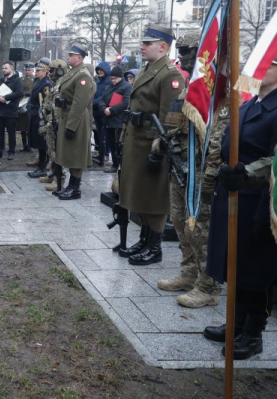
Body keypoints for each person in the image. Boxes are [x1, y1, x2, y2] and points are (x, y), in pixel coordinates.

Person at [203, 56, 277, 360]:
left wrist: (246, 172)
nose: (257, 69)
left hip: (257, 200)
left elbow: (276, 161)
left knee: (255, 269)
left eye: (268, 64)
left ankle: (252, 333)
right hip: (231, 194)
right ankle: (234, 323)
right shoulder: (248, 101)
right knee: (234, 264)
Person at [158, 32, 223, 308]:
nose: (183, 55)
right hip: (180, 165)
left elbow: (219, 133)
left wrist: (211, 170)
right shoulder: (188, 87)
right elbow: (176, 124)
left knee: (201, 229)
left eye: (189, 50)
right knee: (181, 222)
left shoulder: (214, 87)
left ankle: (208, 286)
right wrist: (159, 143)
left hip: (200, 169)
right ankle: (188, 273)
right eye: (181, 49)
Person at [118, 25, 184, 265]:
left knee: (154, 197)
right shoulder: (147, 69)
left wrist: (159, 150)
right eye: (143, 43)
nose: (142, 47)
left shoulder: (170, 75)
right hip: (136, 141)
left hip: (152, 145)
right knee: (140, 193)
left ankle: (155, 247)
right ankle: (145, 238)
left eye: (148, 43)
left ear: (163, 46)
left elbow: (171, 119)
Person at [53, 45, 96, 200]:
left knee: (76, 154)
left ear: (79, 57)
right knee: (69, 153)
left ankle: (75, 188)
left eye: (71, 55)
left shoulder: (82, 76)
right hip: (67, 115)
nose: (68, 57)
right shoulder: (73, 72)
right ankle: (70, 186)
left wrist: (71, 125)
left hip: (75, 118)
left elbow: (79, 103)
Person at [40, 60, 67, 193]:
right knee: (51, 151)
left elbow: (58, 105)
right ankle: (53, 174)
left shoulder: (62, 83)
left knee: (57, 152)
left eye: (52, 70)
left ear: (60, 70)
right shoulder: (55, 84)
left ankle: (59, 179)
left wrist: (51, 122)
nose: (50, 73)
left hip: (56, 122)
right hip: (51, 119)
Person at [98, 66, 130, 173]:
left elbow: (126, 103)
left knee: (118, 144)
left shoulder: (126, 87)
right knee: (111, 143)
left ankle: (120, 164)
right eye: (111, 78)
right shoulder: (109, 86)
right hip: (108, 119)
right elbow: (102, 98)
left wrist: (112, 109)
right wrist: (104, 108)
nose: (113, 81)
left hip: (119, 120)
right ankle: (115, 164)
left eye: (115, 78)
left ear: (120, 77)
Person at [26, 62, 53, 178]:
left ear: (45, 71)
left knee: (41, 141)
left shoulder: (46, 83)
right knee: (36, 139)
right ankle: (40, 166)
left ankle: (43, 167)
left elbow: (46, 101)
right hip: (34, 112)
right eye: (36, 70)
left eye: (38, 70)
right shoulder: (38, 81)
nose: (36, 72)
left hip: (40, 114)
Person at [0, 61, 24, 160]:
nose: (3, 70)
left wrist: (6, 97)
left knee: (11, 133)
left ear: (11, 68)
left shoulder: (17, 80)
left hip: (11, 110)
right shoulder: (1, 80)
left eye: (5, 68)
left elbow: (19, 93)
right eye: (3, 68)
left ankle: (11, 151)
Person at [92, 61, 112, 167]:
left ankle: (106, 154)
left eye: (101, 70)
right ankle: (101, 152)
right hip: (96, 111)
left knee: (105, 134)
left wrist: (93, 102)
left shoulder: (109, 82)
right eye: (98, 70)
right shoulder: (98, 81)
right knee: (99, 133)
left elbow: (105, 96)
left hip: (103, 111)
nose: (99, 72)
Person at [17, 63, 35, 152]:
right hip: (21, 104)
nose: (27, 72)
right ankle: (24, 145)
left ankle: (30, 145)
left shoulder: (35, 79)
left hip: (29, 104)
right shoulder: (21, 79)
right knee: (22, 127)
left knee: (29, 127)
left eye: (29, 70)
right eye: (26, 70)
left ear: (32, 70)